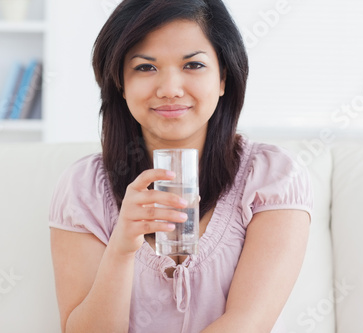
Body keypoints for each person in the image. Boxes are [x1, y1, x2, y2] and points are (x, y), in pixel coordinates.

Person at [49, 0, 312, 332]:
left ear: (223, 78)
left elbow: (246, 324)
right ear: (120, 82)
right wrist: (121, 246)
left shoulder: (273, 176)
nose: (170, 89)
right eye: (145, 67)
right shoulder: (83, 187)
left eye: (193, 66)